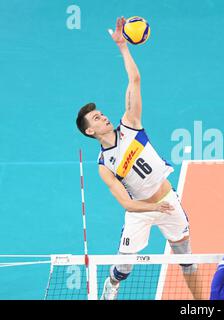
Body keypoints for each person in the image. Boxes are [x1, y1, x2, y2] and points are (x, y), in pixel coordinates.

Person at [75, 17, 201, 300]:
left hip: (168, 200)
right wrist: (152, 210)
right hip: (139, 212)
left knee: (187, 261)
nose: (103, 116)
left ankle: (202, 305)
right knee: (124, 267)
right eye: (96, 118)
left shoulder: (130, 124)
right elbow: (125, 202)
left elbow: (135, 79)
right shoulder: (104, 166)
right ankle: (112, 284)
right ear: (90, 130)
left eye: (101, 113)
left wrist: (123, 48)